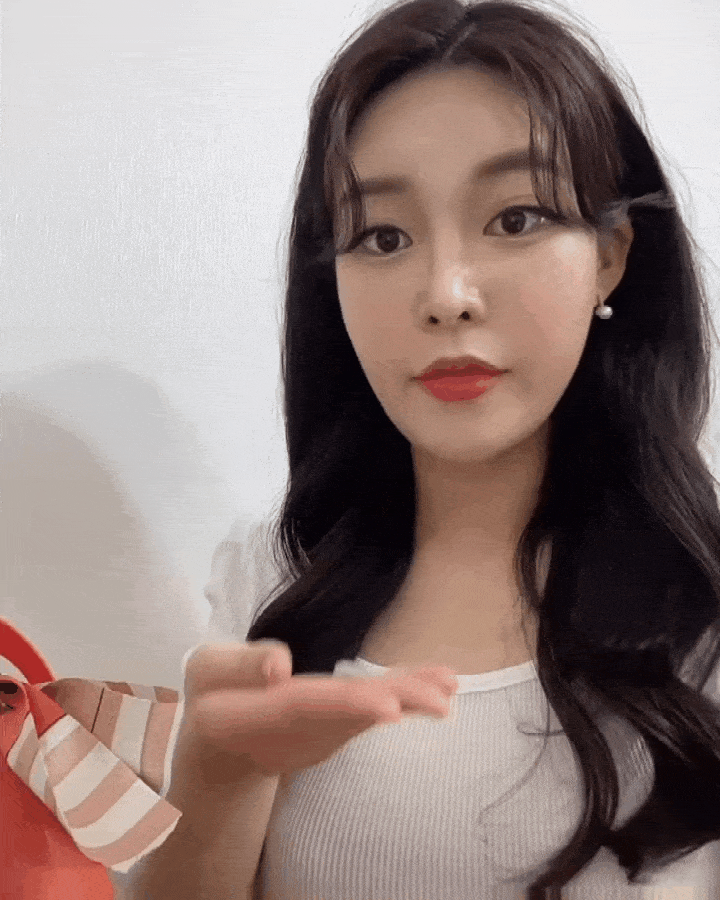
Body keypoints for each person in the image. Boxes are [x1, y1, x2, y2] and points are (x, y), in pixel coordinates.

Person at [119, 0, 720, 897]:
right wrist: (218, 776)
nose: (446, 295)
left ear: (611, 256)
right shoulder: (272, 579)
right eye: (383, 237)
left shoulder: (702, 603)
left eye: (516, 218)